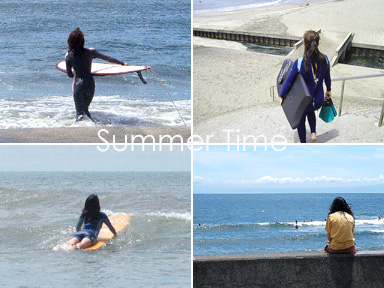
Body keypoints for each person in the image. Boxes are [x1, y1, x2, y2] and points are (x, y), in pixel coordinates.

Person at [279, 30, 332, 143]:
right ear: (317, 44)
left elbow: (288, 82)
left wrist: (281, 95)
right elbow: (328, 78)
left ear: (304, 43)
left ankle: (304, 144)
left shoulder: (299, 63)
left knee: (301, 120)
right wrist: (329, 90)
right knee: (310, 110)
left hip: (304, 101)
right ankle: (313, 133)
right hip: (317, 101)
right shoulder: (325, 59)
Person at [66, 28, 128, 122]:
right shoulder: (91, 52)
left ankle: (78, 129)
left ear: (70, 42)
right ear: (83, 41)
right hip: (90, 83)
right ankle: (93, 126)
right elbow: (108, 58)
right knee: (86, 109)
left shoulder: (69, 57)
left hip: (78, 84)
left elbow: (70, 74)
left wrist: (75, 71)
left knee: (80, 113)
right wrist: (122, 63)